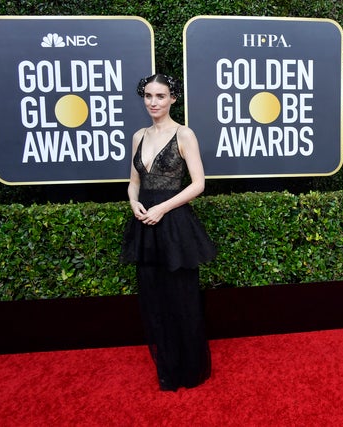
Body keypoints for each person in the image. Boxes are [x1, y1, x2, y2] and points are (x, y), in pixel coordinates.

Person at [121, 73, 216, 391]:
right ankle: (167, 366)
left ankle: (189, 369)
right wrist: (134, 203)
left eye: (160, 96)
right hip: (145, 225)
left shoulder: (183, 134)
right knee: (153, 298)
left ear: (173, 99)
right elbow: (134, 182)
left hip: (174, 225)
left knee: (181, 297)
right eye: (148, 96)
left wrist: (163, 208)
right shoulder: (138, 136)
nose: (153, 102)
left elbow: (199, 184)